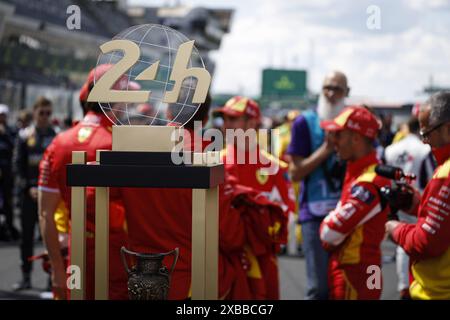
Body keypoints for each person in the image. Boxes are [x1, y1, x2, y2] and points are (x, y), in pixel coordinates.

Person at [37, 64, 137, 299]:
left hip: (75, 255)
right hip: (116, 257)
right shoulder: (120, 142)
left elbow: (45, 214)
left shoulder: (59, 142)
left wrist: (57, 271)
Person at [214, 96, 295, 299]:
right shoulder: (213, 163)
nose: (225, 126)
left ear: (251, 124)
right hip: (222, 261)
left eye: (232, 120)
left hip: (262, 261)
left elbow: (289, 215)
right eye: (224, 119)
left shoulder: (275, 168)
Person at [287, 71, 348, 299]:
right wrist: (327, 149)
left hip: (350, 214)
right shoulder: (305, 122)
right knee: (319, 288)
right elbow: (295, 173)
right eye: (327, 88)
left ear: (347, 93)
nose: (331, 94)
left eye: (337, 89)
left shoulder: (354, 121)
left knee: (347, 286)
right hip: (315, 213)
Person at [319, 106, 390, 299]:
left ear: (356, 138)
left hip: (355, 274)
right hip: (366, 270)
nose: (333, 142)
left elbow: (329, 233)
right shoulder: (362, 172)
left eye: (338, 135)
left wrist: (328, 219)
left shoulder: (369, 180)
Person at [386, 91, 450, 300]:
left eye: (426, 134)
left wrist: (396, 230)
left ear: (447, 129)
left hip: (437, 292)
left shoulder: (446, 173)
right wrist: (420, 204)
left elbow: (427, 242)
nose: (424, 142)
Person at [384, 116, 435, 299]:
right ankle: (415, 284)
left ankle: (403, 285)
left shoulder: (391, 149)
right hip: (420, 199)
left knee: (401, 241)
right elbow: (432, 177)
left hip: (398, 198)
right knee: (420, 241)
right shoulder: (424, 148)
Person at [12, 97, 56, 290]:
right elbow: (17, 166)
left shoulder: (55, 136)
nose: (45, 117)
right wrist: (27, 187)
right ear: (35, 112)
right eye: (42, 113)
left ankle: (51, 279)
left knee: (49, 237)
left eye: (48, 113)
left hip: (48, 195)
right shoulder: (24, 136)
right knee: (26, 238)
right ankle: (26, 277)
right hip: (28, 194)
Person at [0, 104, 20, 241]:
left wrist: (4, 134)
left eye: (3, 115)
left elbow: (15, 146)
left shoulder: (11, 131)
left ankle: (8, 227)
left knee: (8, 202)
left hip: (7, 173)